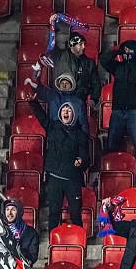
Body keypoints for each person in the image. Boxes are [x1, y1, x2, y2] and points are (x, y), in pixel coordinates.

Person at [30, 97, 89, 231]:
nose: (66, 111)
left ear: (74, 114)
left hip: (72, 178)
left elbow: (85, 156)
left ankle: (77, 239)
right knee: (54, 212)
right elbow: (42, 117)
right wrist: (34, 103)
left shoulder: (80, 134)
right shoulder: (53, 127)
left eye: (68, 109)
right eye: (63, 109)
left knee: (75, 213)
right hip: (54, 177)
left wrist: (81, 161)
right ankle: (53, 240)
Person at [99, 41, 136, 163]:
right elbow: (104, 60)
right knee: (111, 147)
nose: (127, 53)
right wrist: (119, 51)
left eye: (129, 50)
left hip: (135, 111)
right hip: (117, 111)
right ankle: (113, 174)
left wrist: (135, 50)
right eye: (125, 50)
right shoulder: (118, 67)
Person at [2, 199, 39, 264]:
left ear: (19, 212)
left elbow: (33, 256)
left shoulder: (31, 233)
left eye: (13, 210)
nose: (9, 213)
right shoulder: (1, 230)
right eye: (7, 209)